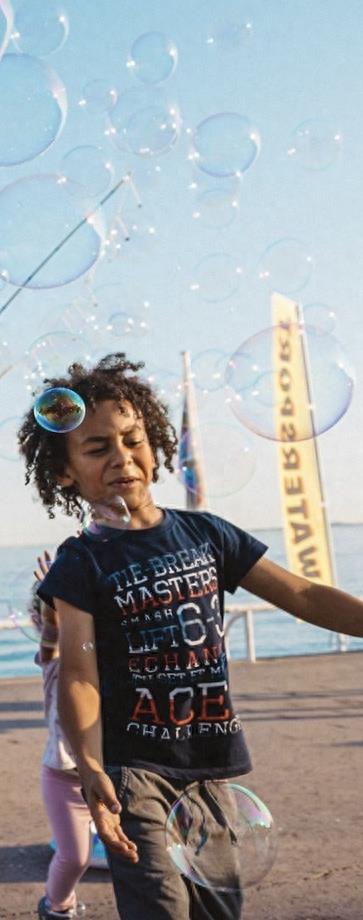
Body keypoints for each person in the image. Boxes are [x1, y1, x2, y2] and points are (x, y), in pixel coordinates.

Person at [20, 353, 363, 920]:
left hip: (209, 763)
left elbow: (301, 594)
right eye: (97, 447)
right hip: (134, 772)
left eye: (133, 439)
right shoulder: (80, 562)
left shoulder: (206, 534)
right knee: (161, 907)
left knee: (218, 910)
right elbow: (78, 672)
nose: (122, 457)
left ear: (156, 445)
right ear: (64, 472)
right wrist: (90, 764)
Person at [28, 551, 95, 920]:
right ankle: (56, 906)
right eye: (44, 612)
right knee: (76, 857)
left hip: (108, 773)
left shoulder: (96, 656)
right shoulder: (53, 663)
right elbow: (53, 638)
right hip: (63, 778)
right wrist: (54, 605)